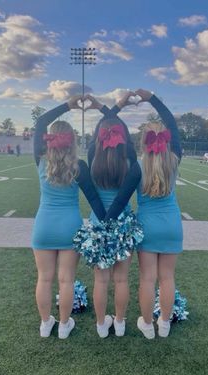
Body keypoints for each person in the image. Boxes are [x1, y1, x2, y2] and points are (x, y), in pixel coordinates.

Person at [32, 95, 106, 339]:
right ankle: (64, 325)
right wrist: (108, 219)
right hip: (70, 227)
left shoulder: (41, 160)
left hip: (44, 225)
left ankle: (45, 324)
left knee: (44, 279)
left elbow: (41, 121)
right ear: (72, 141)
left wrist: (67, 105)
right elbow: (95, 199)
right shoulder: (79, 166)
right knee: (66, 280)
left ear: (49, 140)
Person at [84, 92, 141, 338]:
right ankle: (119, 323)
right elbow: (125, 135)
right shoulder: (129, 159)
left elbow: (103, 129)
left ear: (99, 136)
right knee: (121, 280)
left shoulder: (92, 157)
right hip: (123, 225)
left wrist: (106, 109)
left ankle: (100, 325)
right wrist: (117, 107)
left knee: (101, 281)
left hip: (98, 225)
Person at [134, 89, 183, 339]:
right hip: (172, 224)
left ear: (143, 142)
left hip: (147, 226)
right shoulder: (174, 159)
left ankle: (147, 324)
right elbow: (172, 123)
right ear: (165, 140)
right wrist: (152, 97)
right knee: (167, 278)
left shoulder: (137, 165)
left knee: (147, 279)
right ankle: (164, 324)